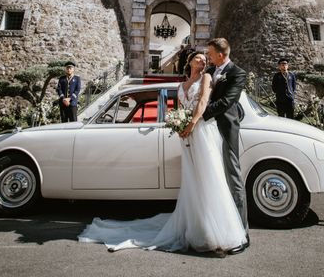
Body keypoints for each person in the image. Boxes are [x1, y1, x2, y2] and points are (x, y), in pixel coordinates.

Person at [78, 51, 247, 255]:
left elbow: (203, 103)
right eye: (198, 57)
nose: (203, 59)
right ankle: (197, 224)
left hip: (201, 131)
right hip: (187, 135)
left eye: (205, 57)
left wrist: (191, 123)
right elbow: (177, 109)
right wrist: (179, 124)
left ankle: (216, 228)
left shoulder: (207, 78)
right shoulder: (180, 85)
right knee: (193, 181)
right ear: (190, 61)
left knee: (209, 179)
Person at [183, 37, 250, 254]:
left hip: (224, 129)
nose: (207, 57)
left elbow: (227, 102)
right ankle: (217, 226)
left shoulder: (237, 73)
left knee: (233, 178)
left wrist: (198, 116)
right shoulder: (212, 70)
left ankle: (242, 233)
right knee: (213, 180)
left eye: (210, 54)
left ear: (221, 54)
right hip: (208, 132)